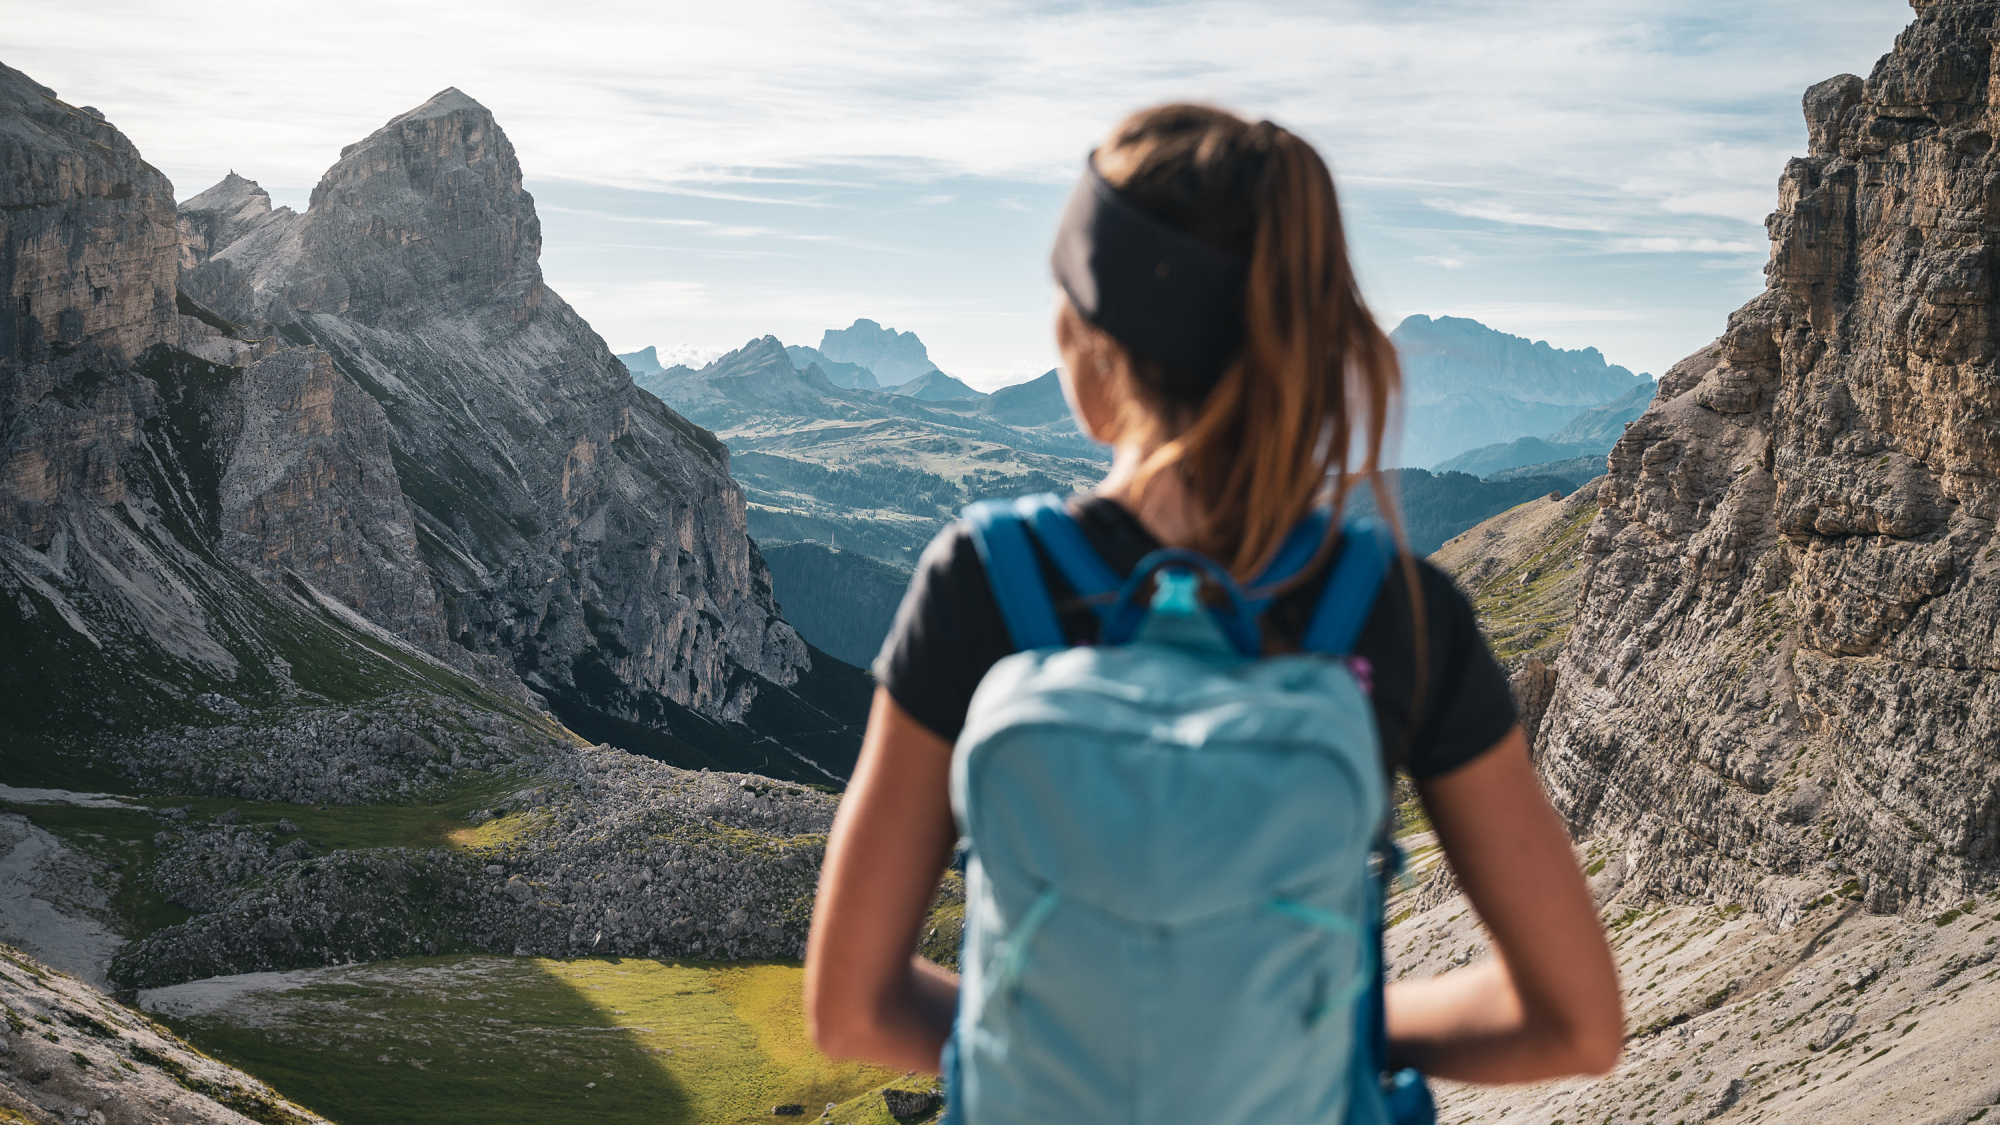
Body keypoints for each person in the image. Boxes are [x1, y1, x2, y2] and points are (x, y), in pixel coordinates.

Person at [804, 103, 1622, 1114]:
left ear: (1086, 338)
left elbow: (849, 1006)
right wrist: (1324, 1030)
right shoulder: (1396, 611)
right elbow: (1572, 1020)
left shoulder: (983, 576)